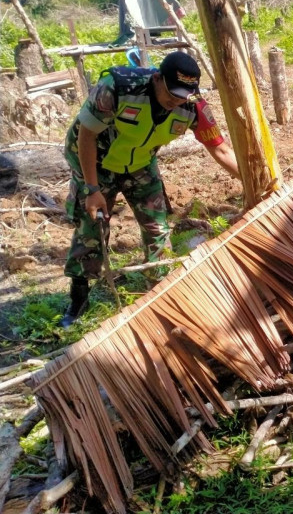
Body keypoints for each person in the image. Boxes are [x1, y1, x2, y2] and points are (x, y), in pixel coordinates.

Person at [62, 51, 240, 326]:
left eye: (183, 96)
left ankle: (159, 292)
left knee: (157, 228)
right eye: (171, 93)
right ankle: (78, 298)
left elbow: (221, 149)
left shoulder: (194, 106)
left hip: (140, 164)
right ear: (157, 78)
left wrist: (252, 181)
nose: (175, 101)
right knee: (92, 229)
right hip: (96, 161)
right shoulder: (118, 88)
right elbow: (87, 135)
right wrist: (92, 188)